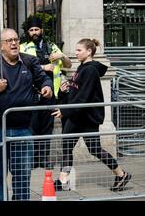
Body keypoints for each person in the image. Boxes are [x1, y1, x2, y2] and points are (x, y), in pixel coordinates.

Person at [0, 28, 53, 201]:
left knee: (22, 176)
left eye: (16, 39)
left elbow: (43, 79)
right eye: (9, 41)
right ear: (1, 46)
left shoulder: (30, 62)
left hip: (23, 130)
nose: (14, 43)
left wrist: (47, 86)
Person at [51, 38, 132, 192]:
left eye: (79, 50)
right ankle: (64, 181)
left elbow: (84, 97)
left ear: (89, 52)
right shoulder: (83, 67)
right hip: (78, 116)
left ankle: (121, 174)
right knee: (68, 147)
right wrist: (65, 90)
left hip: (85, 118)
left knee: (93, 149)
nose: (75, 53)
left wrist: (65, 111)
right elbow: (77, 91)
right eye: (76, 50)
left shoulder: (90, 70)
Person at [20, 16, 72, 169]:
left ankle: (43, 159)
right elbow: (21, 67)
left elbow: (68, 65)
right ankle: (31, 160)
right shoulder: (24, 47)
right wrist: (44, 68)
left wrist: (62, 55)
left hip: (50, 95)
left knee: (46, 128)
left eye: (36, 29)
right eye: (31, 30)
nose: (34, 32)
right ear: (27, 32)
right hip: (32, 93)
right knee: (32, 127)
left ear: (41, 30)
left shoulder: (51, 46)